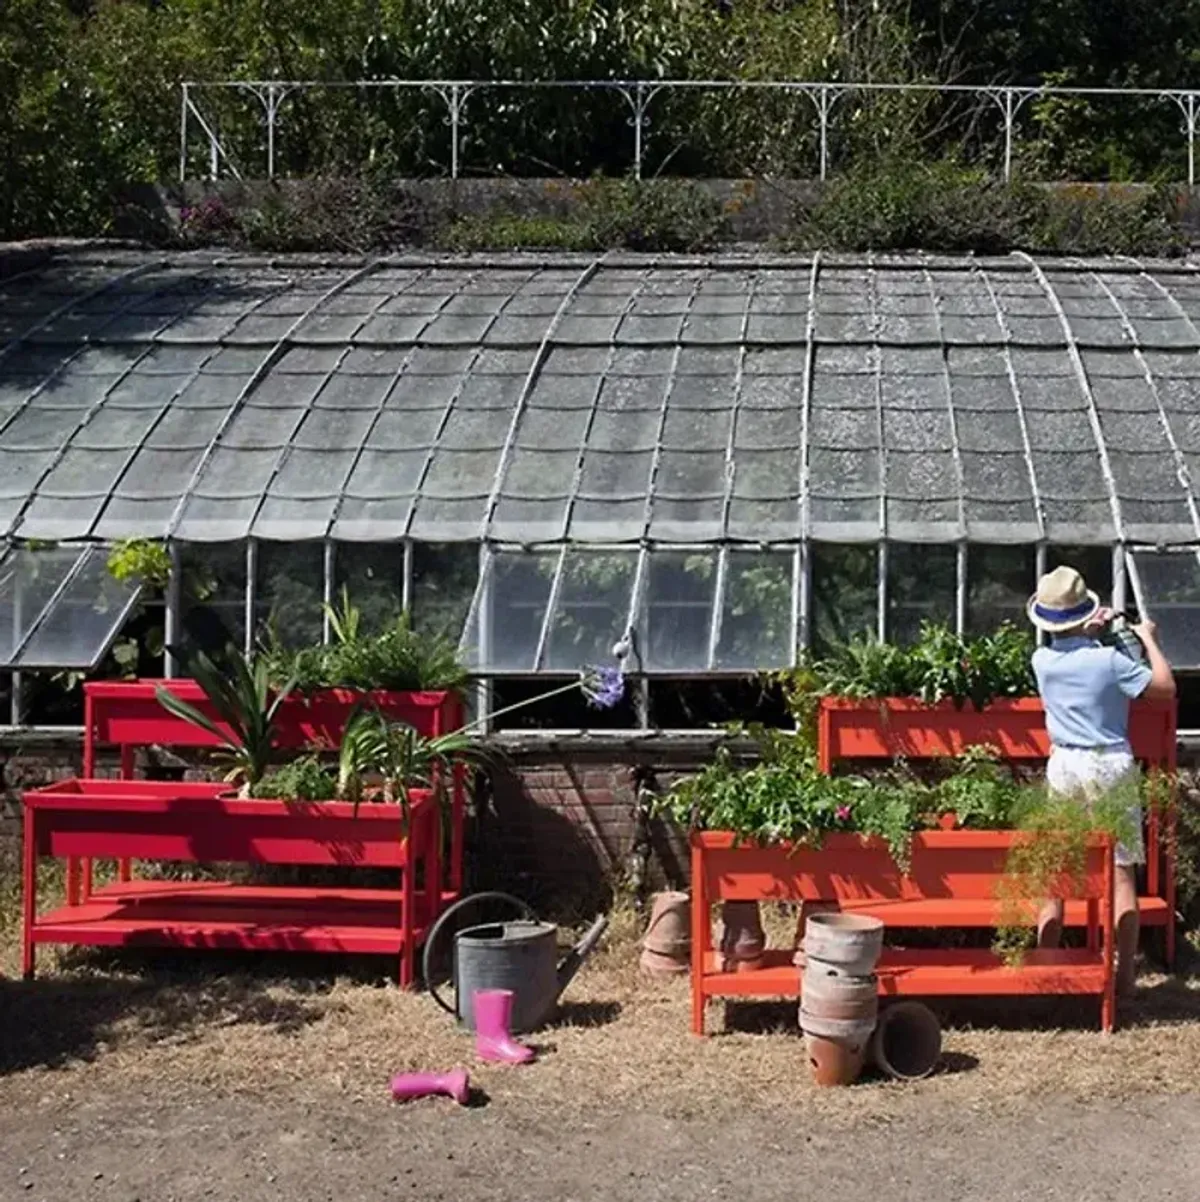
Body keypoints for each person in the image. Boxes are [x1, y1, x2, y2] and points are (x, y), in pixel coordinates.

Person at [1027, 565, 1175, 997]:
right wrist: (1146, 638)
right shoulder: (1109, 661)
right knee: (1120, 871)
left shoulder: (1041, 661)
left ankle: (1046, 969)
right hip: (1108, 764)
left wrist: (1091, 631)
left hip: (1064, 765)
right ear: (1085, 613)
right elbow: (1163, 689)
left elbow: (1073, 652)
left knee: (1056, 870)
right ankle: (1124, 977)